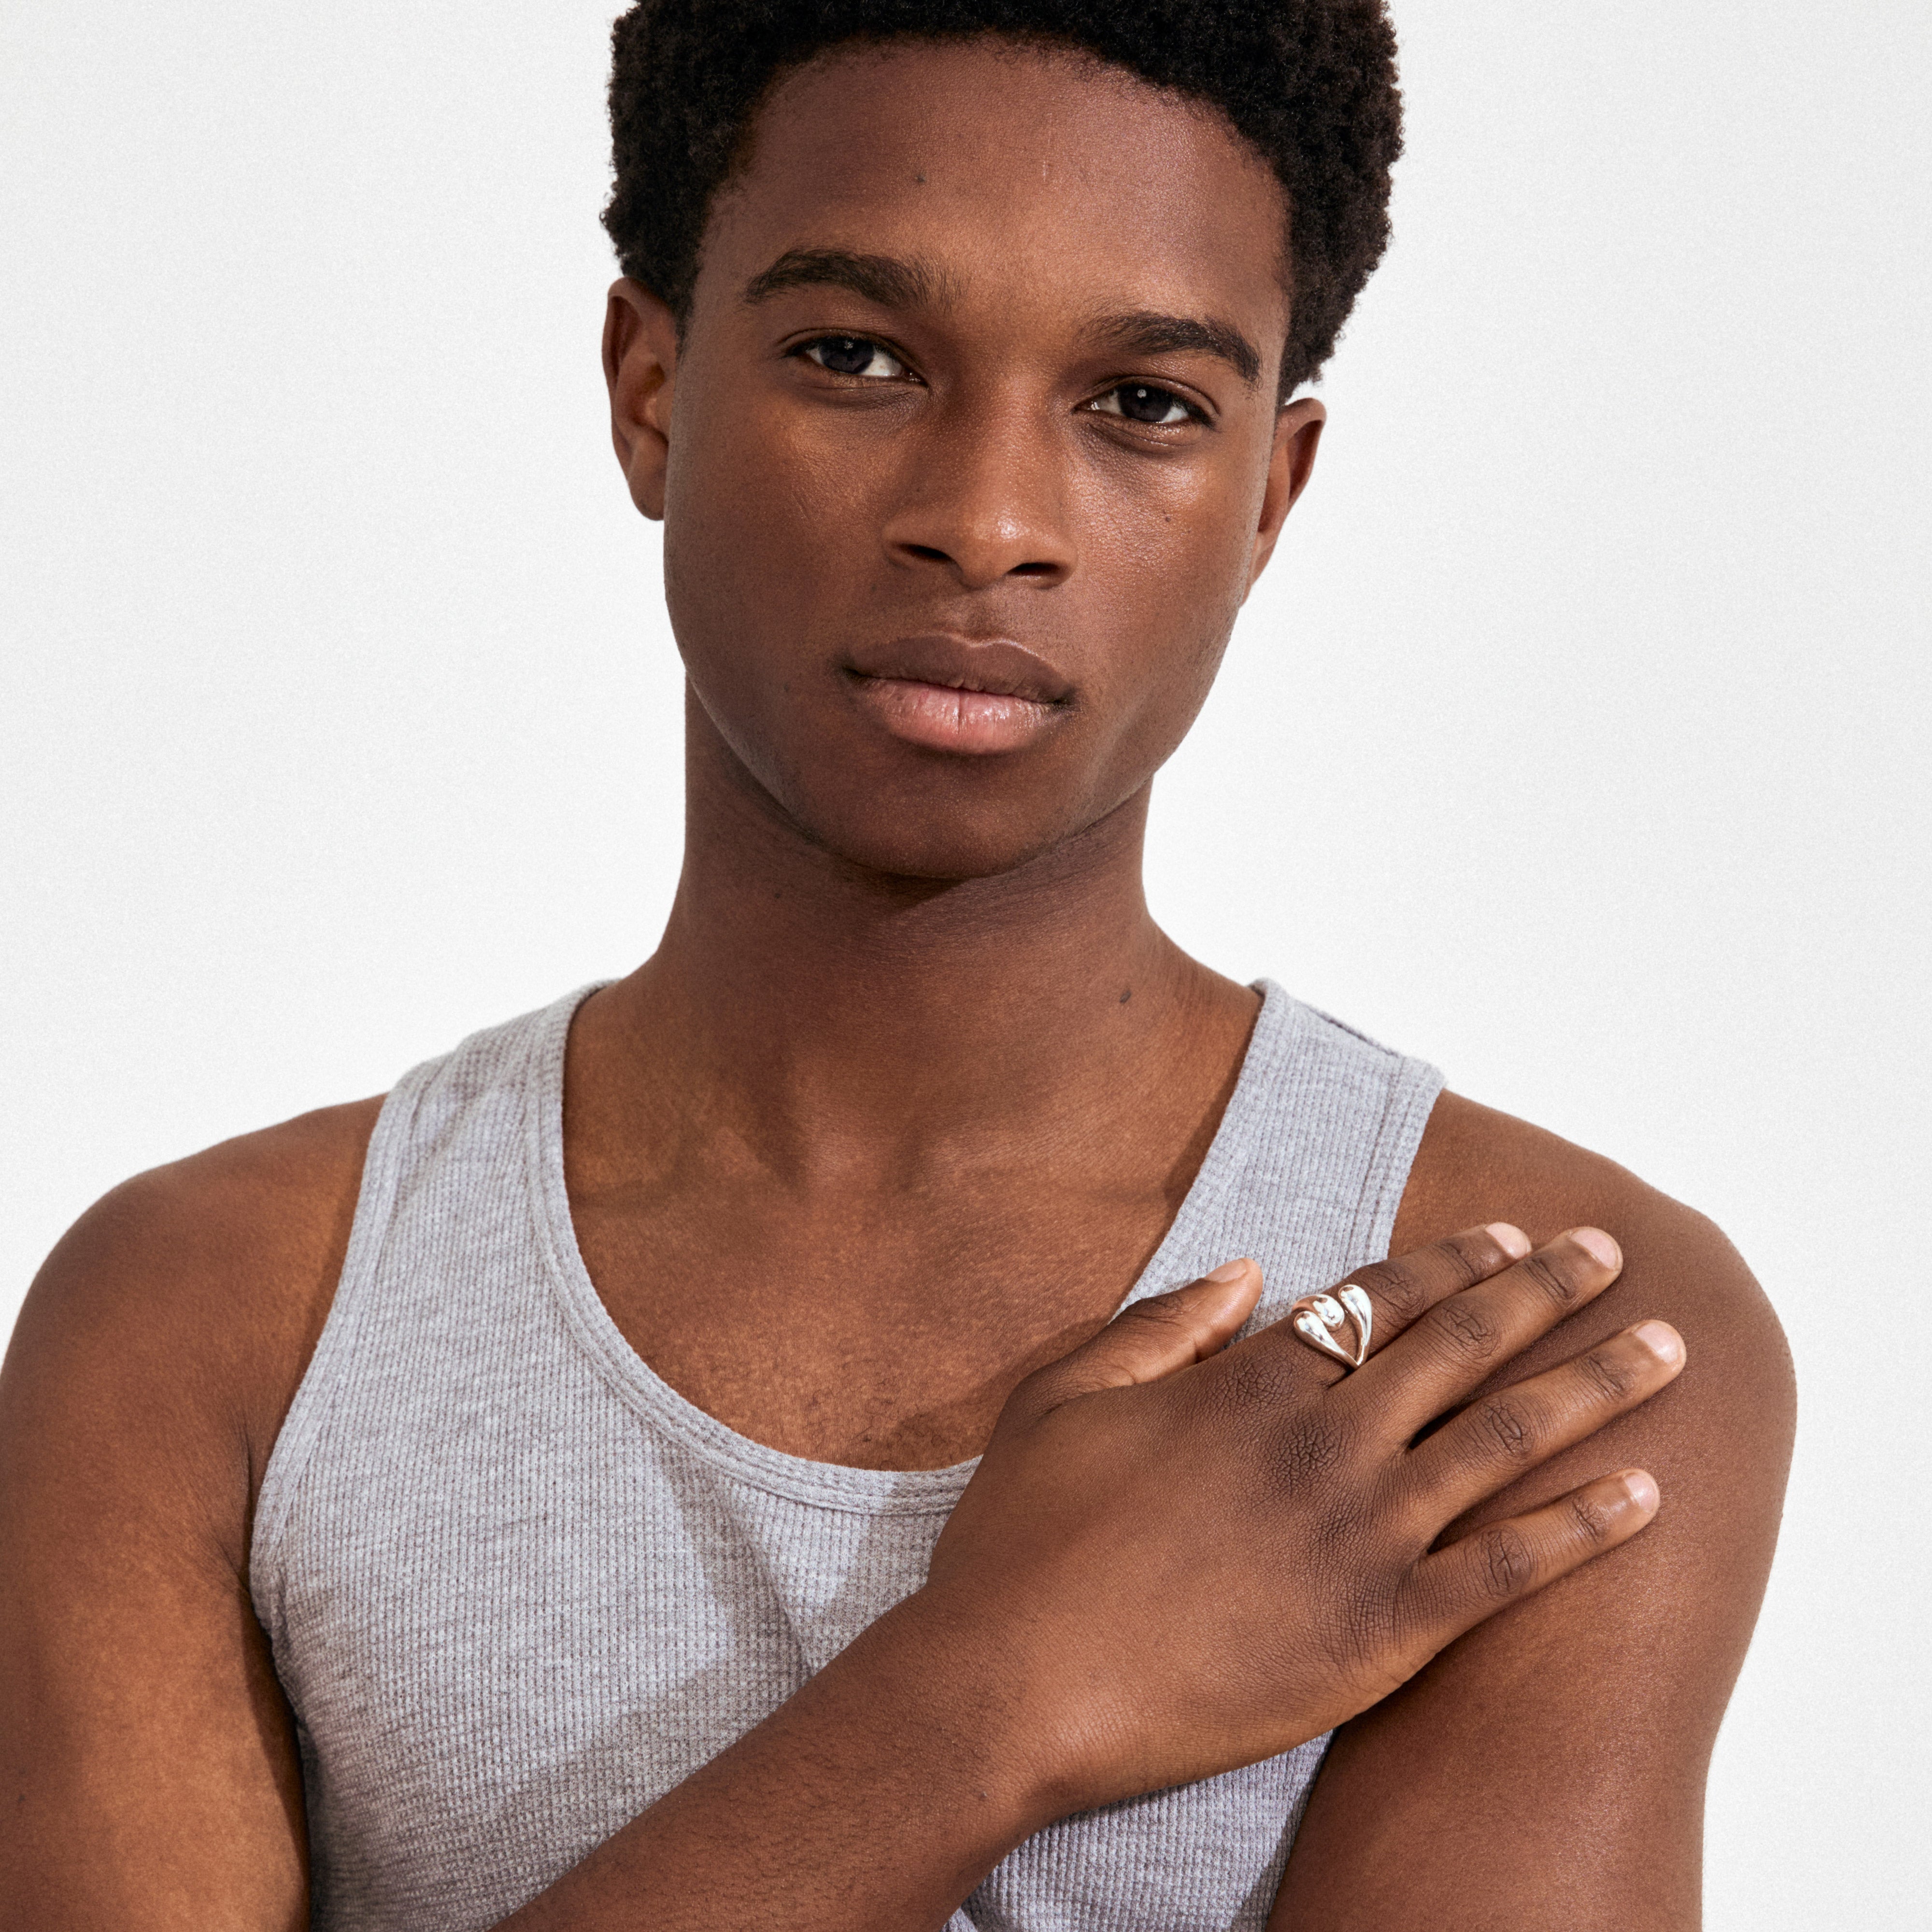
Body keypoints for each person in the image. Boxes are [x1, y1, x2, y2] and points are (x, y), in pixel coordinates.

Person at [0, 4, 1795, 1927]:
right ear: (651, 388)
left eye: (1144, 405)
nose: (987, 521)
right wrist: (997, 1692)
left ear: (1269, 498)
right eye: (859, 357)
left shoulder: (1532, 1346)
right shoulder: (218, 1323)